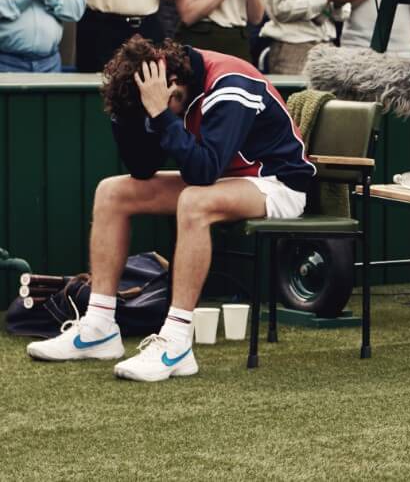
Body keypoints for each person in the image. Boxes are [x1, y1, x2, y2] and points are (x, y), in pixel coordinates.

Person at [25, 35, 314, 380]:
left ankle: (177, 342)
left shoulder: (231, 83)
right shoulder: (170, 90)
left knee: (194, 201)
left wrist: (161, 113)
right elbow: (143, 168)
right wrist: (129, 118)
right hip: (225, 179)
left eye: (153, 105)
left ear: (171, 83)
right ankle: (98, 328)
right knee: (112, 192)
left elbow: (203, 172)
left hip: (279, 184)